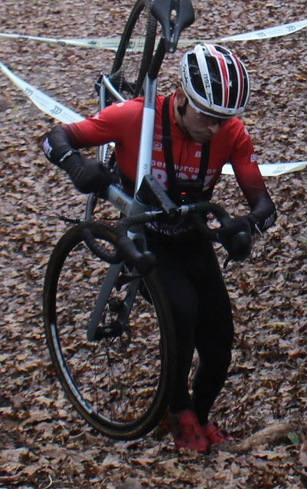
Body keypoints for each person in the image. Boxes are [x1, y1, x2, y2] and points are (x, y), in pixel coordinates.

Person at [41, 42, 277, 452]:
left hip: (191, 236)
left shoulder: (230, 133)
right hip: (144, 234)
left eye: (226, 119)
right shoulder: (136, 117)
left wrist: (247, 225)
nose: (217, 128)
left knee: (220, 342)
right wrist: (78, 166)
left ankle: (201, 416)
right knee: (182, 310)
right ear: (182, 98)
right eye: (209, 116)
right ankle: (177, 410)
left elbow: (262, 201)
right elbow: (56, 137)